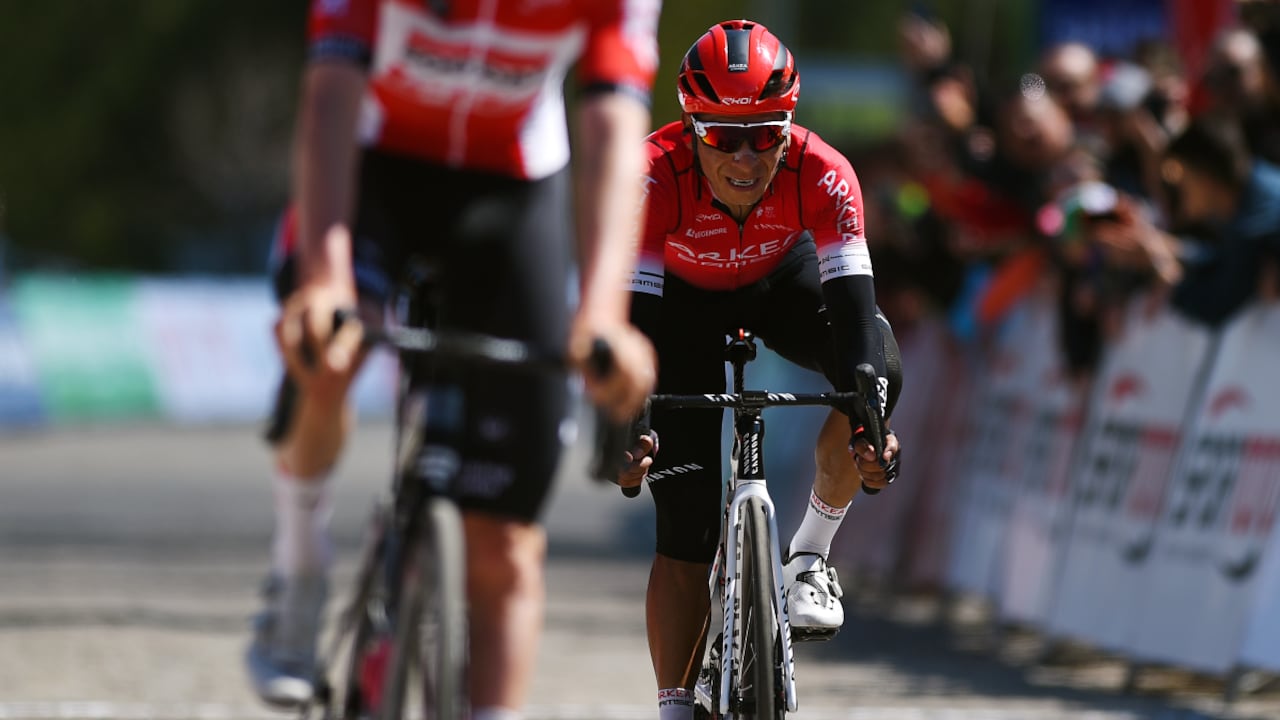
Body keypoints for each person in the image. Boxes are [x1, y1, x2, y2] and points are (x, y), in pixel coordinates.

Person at [244, 1, 661, 718]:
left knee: (505, 542)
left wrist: (602, 313)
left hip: (512, 188)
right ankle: (300, 569)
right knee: (329, 349)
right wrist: (328, 279)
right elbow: (331, 94)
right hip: (374, 169)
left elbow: (615, 128)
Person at [613, 20, 903, 720]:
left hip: (780, 283)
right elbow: (634, 327)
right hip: (674, 306)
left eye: (765, 134)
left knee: (879, 371)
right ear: (690, 127)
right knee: (685, 523)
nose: (745, 157)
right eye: (721, 136)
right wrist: (627, 426)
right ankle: (676, 707)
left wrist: (872, 423)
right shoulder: (651, 174)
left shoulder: (825, 172)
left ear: (788, 125)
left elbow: (859, 321)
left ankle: (808, 556)